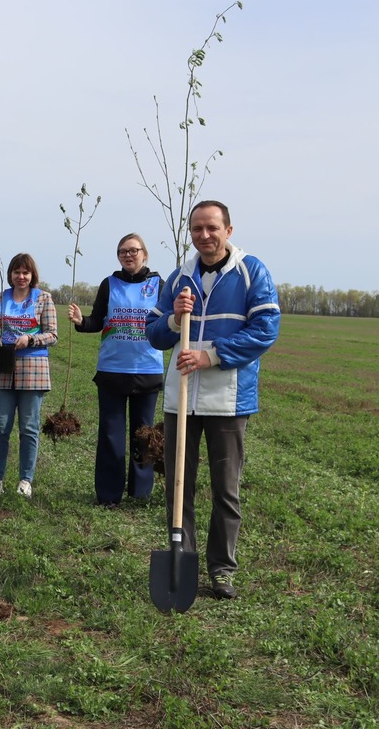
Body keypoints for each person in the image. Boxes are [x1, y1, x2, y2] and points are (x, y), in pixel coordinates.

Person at [145, 200, 280, 600]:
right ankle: (181, 562)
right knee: (178, 486)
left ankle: (222, 569)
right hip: (180, 399)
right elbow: (154, 334)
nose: (204, 236)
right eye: (197, 229)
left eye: (212, 228)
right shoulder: (179, 277)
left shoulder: (251, 271)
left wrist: (211, 355)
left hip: (228, 399)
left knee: (226, 489)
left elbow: (266, 329)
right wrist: (173, 317)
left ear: (228, 230)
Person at [68, 233, 163, 507]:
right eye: (123, 251)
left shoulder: (159, 284)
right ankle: (109, 495)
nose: (128, 255)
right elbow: (97, 321)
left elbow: (170, 323)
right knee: (110, 434)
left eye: (134, 250)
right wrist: (80, 321)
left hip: (147, 369)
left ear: (145, 254)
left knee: (144, 434)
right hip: (112, 370)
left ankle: (140, 492)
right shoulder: (109, 284)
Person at [0, 253, 58, 498]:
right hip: (2, 368)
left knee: (29, 428)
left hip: (34, 369)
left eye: (26, 273)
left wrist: (31, 338)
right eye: (16, 272)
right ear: (10, 275)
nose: (21, 277)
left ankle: (25, 481)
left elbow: (52, 334)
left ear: (32, 275)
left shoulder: (44, 299)